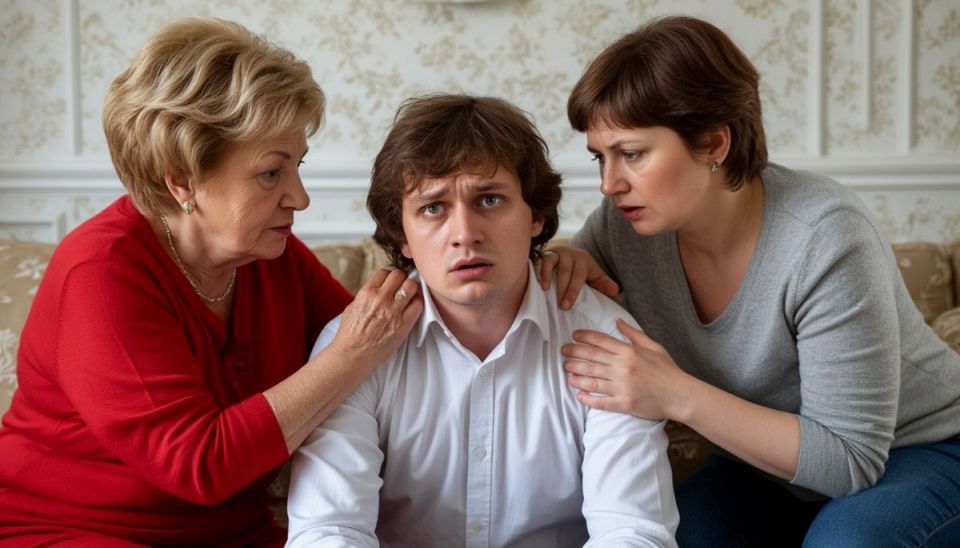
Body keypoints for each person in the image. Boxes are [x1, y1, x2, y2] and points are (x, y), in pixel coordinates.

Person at [538, 15, 960, 547]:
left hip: (919, 450)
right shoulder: (623, 228)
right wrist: (565, 255)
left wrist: (674, 393)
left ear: (714, 142)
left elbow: (849, 461)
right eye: (600, 157)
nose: (608, 183)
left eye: (632, 154)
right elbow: (560, 277)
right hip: (768, 471)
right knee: (667, 537)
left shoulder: (827, 236)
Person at [0, 18, 422, 546]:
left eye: (298, 166)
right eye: (271, 173)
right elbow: (201, 464)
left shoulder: (268, 253)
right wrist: (350, 354)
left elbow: (391, 347)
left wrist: (515, 282)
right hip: (70, 530)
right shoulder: (101, 273)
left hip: (235, 535)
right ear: (183, 179)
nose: (300, 197)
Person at [285, 94, 679, 547]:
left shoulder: (606, 338)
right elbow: (328, 530)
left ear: (536, 216)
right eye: (433, 208)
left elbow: (633, 531)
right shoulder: (354, 347)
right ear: (402, 236)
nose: (465, 234)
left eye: (489, 200)